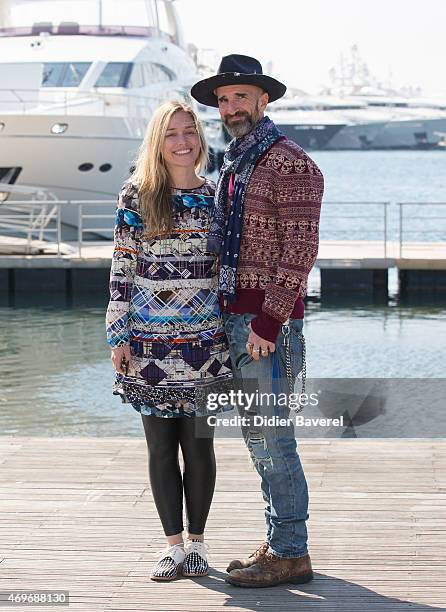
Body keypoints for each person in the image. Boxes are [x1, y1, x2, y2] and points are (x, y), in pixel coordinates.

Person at [191, 55, 324, 588]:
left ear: (263, 100)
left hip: (265, 324)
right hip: (236, 317)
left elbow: (299, 251)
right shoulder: (237, 161)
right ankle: (280, 542)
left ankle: (291, 551)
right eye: (223, 100)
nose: (230, 108)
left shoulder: (289, 163)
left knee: (273, 440)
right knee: (258, 439)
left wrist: (267, 324)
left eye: (240, 97)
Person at [105, 100, 233, 582]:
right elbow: (122, 269)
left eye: (190, 132)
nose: (182, 142)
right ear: (157, 142)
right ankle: (173, 548)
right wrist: (118, 333)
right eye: (171, 134)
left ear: (200, 139)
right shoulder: (136, 196)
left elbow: (229, 270)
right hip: (149, 346)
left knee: (200, 448)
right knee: (161, 448)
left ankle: (198, 545)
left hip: (206, 347)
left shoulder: (217, 195)